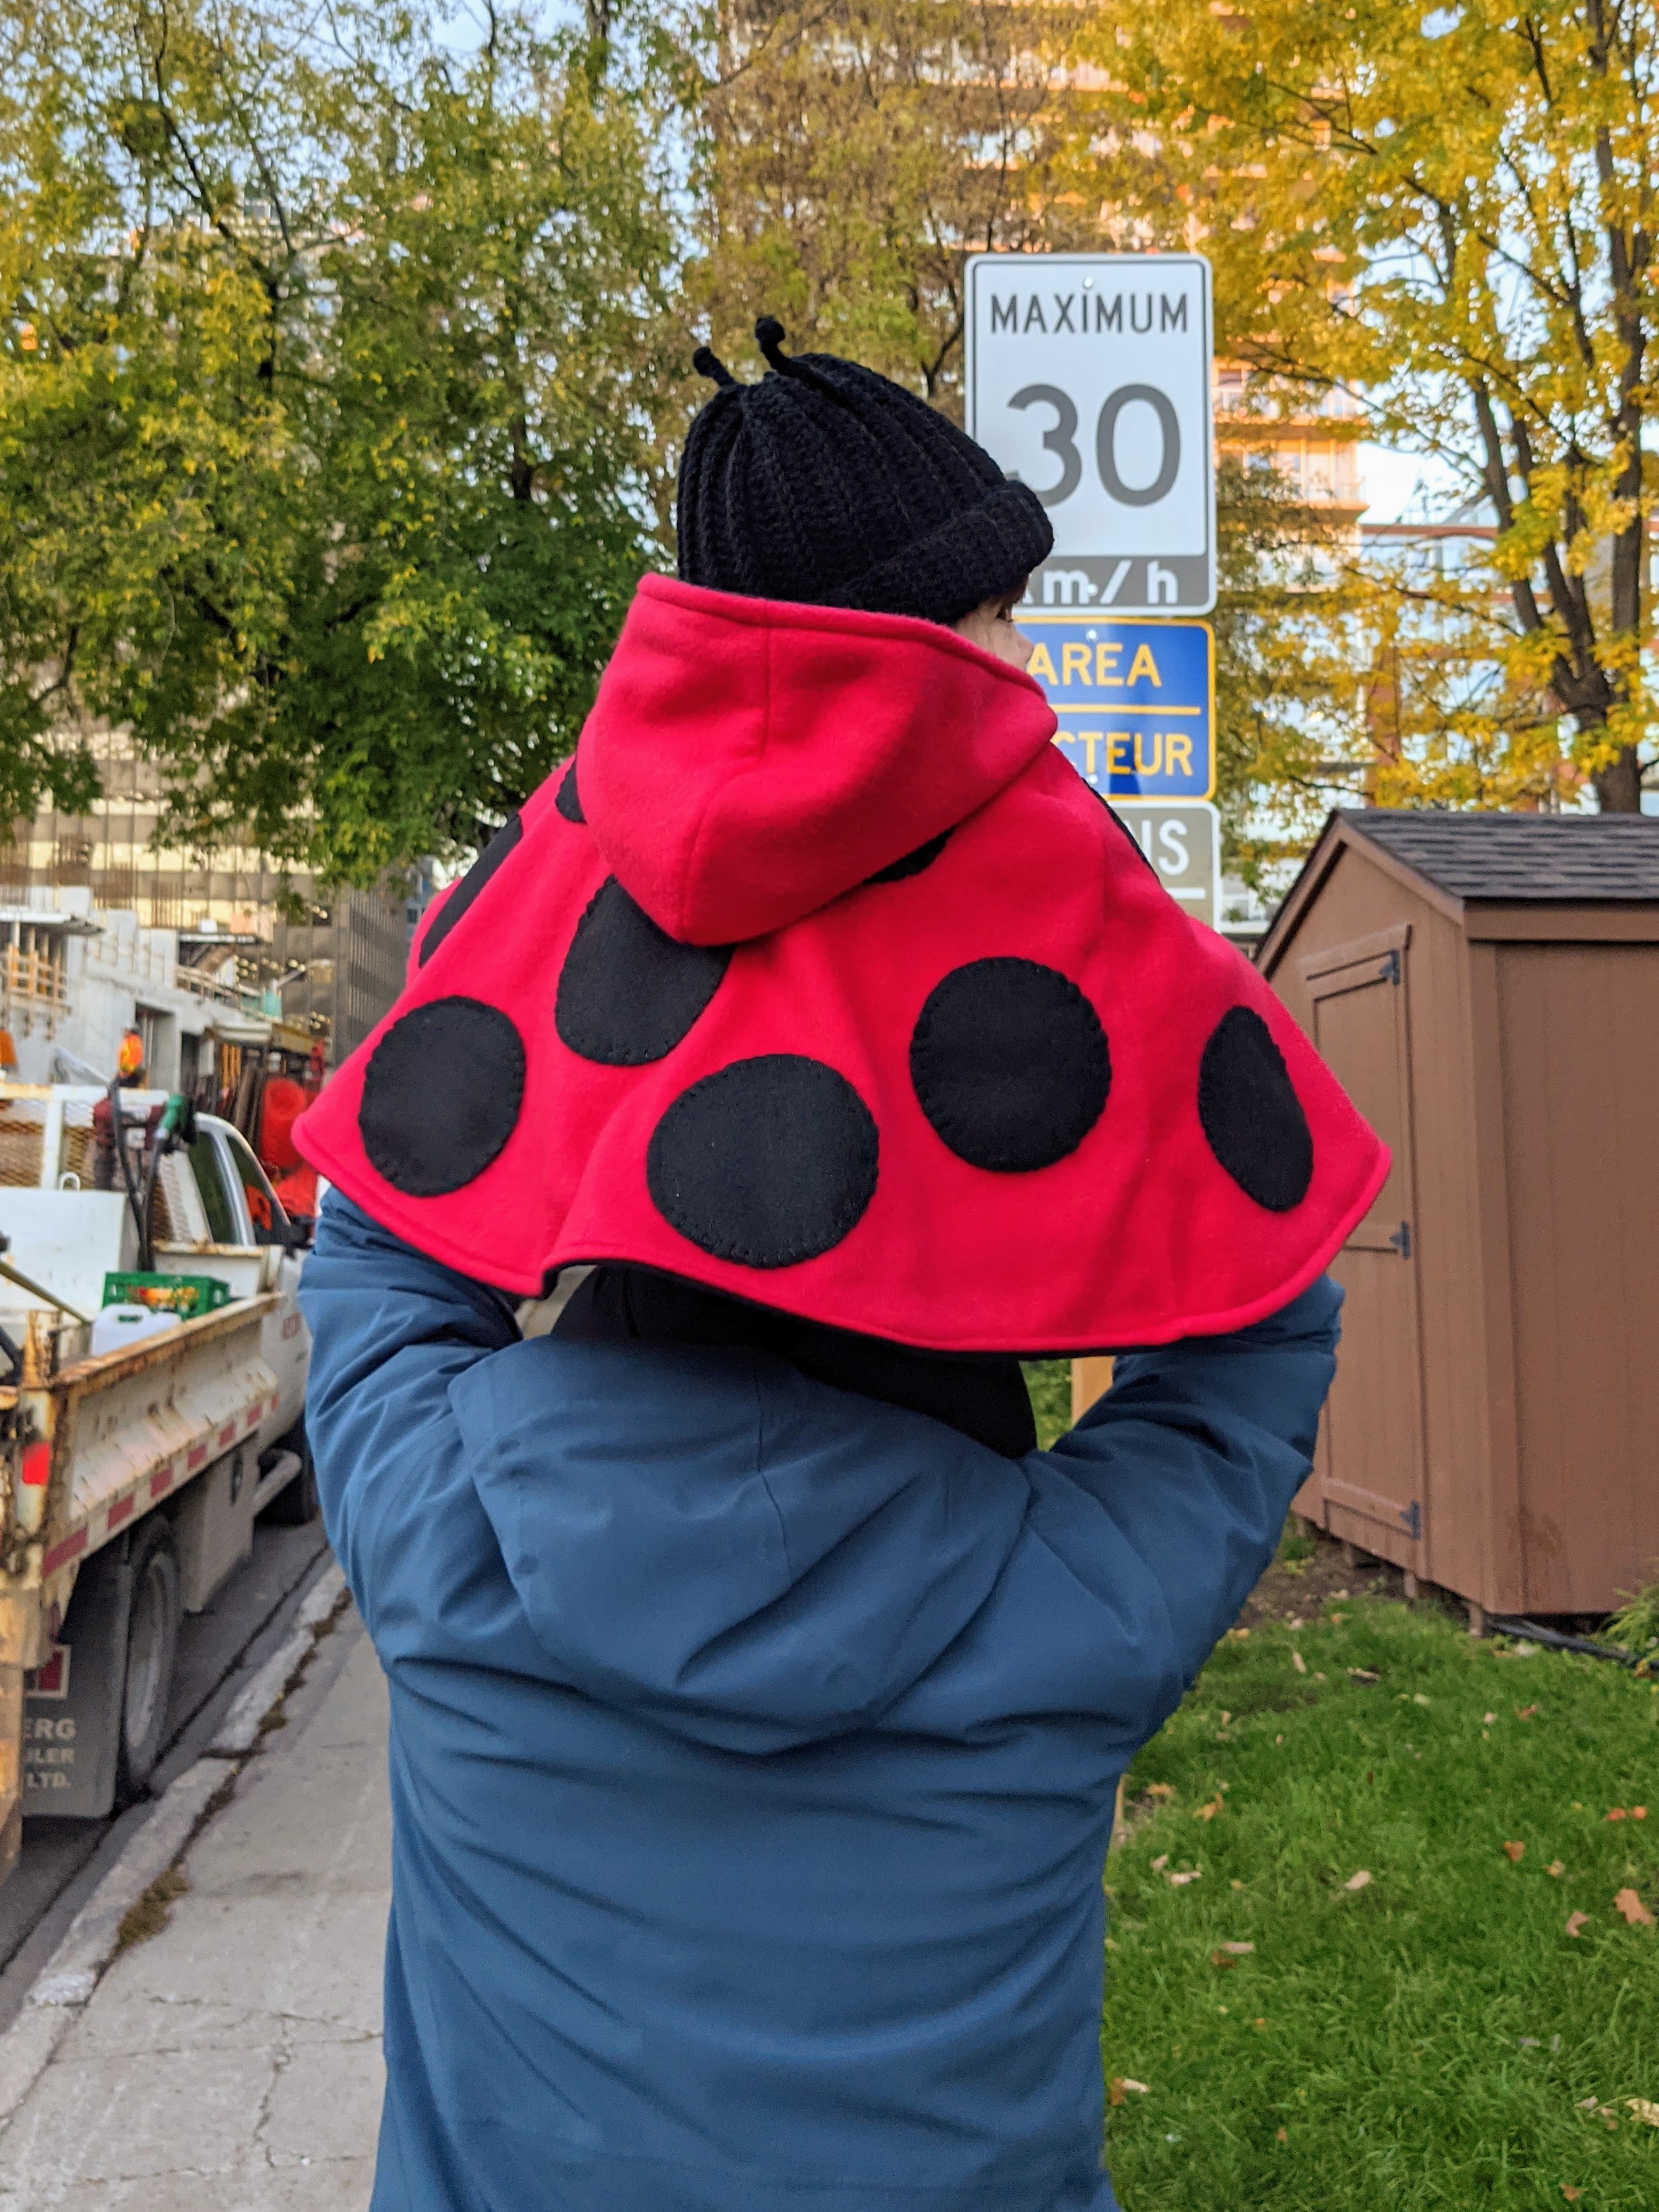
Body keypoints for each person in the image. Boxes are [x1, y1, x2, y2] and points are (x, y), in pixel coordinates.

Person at [296, 317, 1385, 2212]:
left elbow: (386, 1226)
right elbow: (1268, 1297)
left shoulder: (444, 1555)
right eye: (1005, 630)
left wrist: (604, 840)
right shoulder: (1062, 1624)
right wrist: (1032, 858)